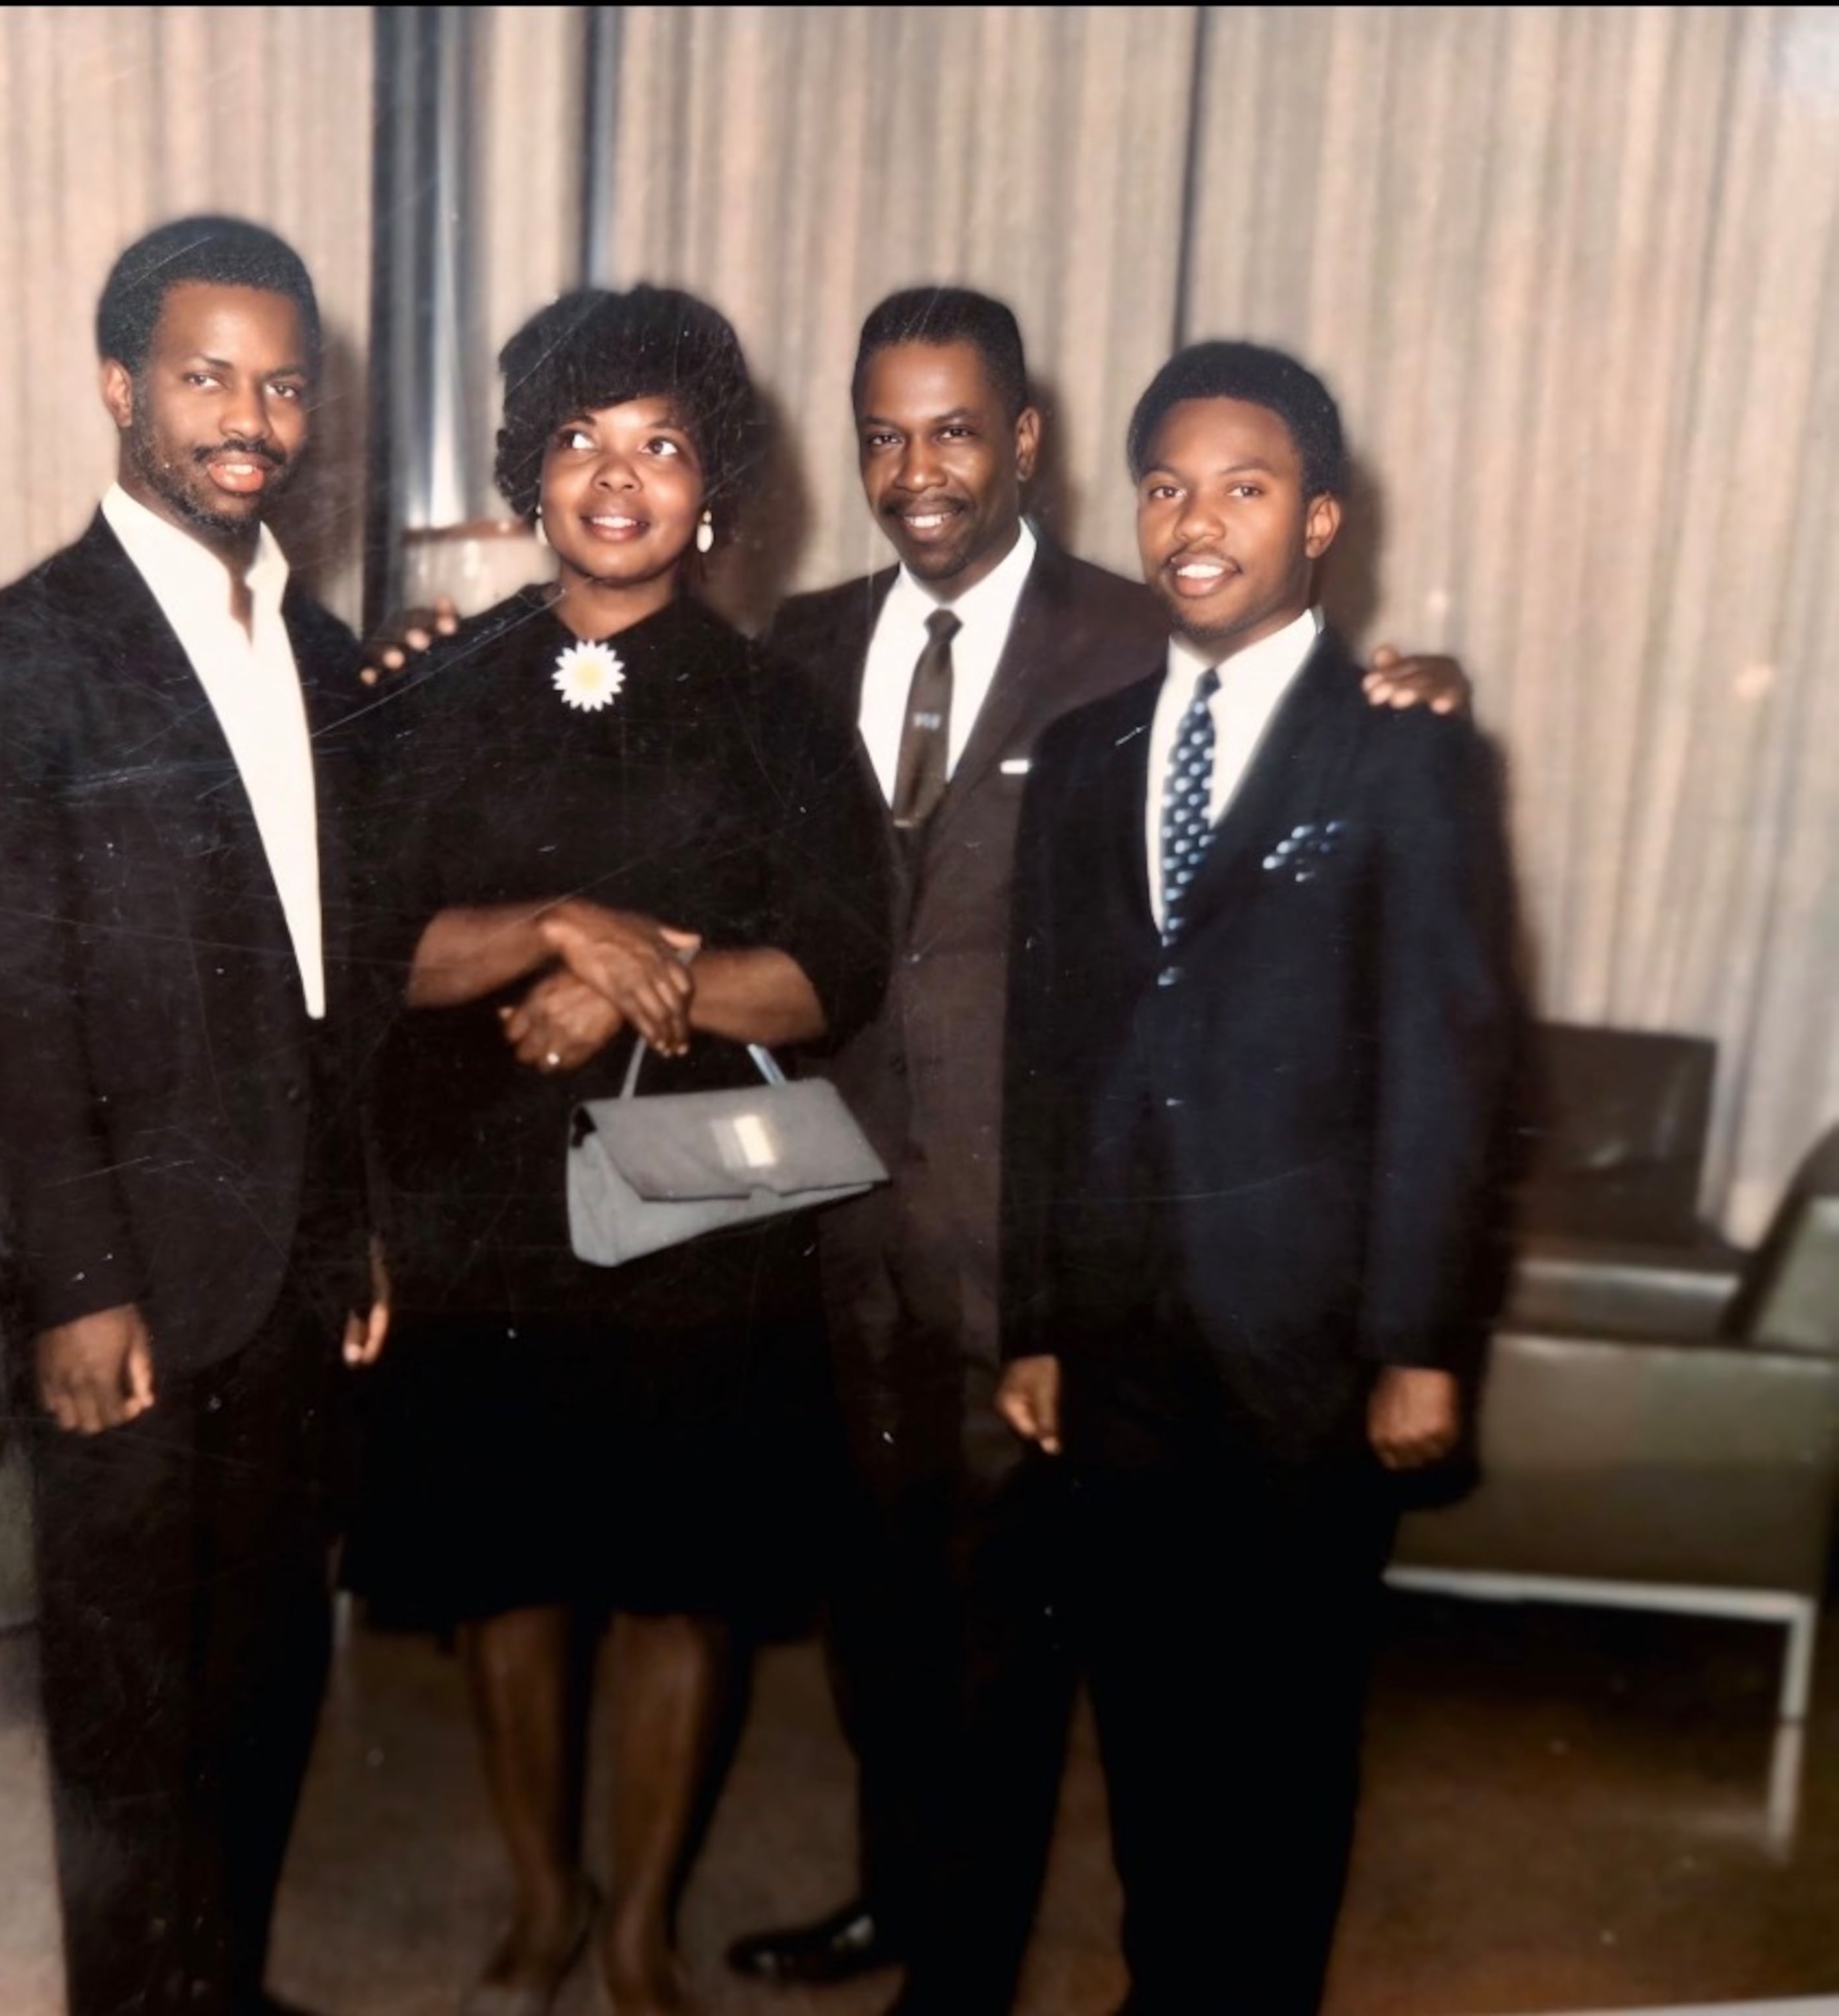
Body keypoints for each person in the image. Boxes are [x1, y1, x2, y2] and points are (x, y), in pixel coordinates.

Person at [729, 287, 1470, 2014]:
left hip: (1068, 1243)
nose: (920, 469)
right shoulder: (798, 641)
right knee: (884, 1619)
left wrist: (1418, 687)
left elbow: (1308, 768)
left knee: (1048, 1652)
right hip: (844, 1222)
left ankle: (977, 1963)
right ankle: (906, 1905)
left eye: (956, 430)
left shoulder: (1146, 625)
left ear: (1027, 440)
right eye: (885, 435)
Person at [344, 284, 893, 2016]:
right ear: (529, 472)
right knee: (510, 1578)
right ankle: (543, 1897)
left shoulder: (776, 708)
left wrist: (636, 981)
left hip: (699, 1201)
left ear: (712, 485)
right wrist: (550, 929)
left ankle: (643, 1923)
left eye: (660, 446)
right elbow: (373, 950)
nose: (616, 479)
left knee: (679, 1587)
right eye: (579, 442)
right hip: (480, 1201)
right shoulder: (438, 687)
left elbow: (831, 971)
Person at [997, 341, 1519, 2013]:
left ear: (1321, 521)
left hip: (1308, 1346)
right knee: (1146, 1721)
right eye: (1165, 487)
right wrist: (1036, 1318)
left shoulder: (1402, 750)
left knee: (1284, 1738)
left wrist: (1421, 1342)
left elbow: (1446, 1058)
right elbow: (1045, 1058)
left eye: (1244, 486)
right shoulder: (1085, 754)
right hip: (1122, 1338)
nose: (1197, 521)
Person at [0, 215, 384, 2016]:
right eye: (207, 377)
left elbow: (334, 976)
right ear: (121, 387)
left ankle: (229, 1987)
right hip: (123, 1280)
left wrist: (357, 1226)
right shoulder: (10, 654)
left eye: (283, 385)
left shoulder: (329, 651)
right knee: (126, 1703)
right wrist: (75, 1282)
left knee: (266, 1670)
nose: (249, 420)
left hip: (294, 1272)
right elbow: (8, 1003)